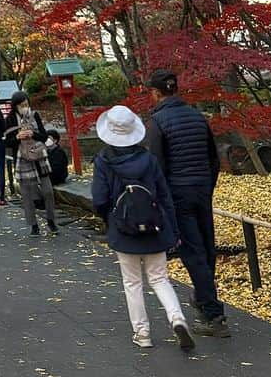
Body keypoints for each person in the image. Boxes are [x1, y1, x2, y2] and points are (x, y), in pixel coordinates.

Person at [92, 105, 195, 352]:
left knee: (132, 283)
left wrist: (110, 220)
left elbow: (99, 199)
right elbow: (164, 196)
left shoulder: (103, 161)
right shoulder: (149, 160)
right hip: (154, 227)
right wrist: (172, 230)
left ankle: (143, 333)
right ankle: (177, 318)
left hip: (123, 228)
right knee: (160, 278)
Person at [144, 69, 228, 337]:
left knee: (192, 250)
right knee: (206, 245)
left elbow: (157, 166)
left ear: (156, 93)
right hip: (202, 188)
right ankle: (205, 298)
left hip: (178, 192)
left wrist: (161, 201)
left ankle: (212, 312)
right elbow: (214, 159)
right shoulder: (197, 116)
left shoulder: (157, 122)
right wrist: (207, 184)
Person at [5, 90, 57, 236]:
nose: (25, 107)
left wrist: (33, 134)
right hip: (22, 160)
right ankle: (33, 225)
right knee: (27, 195)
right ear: (15, 106)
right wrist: (17, 137)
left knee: (48, 191)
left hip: (39, 157)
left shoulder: (35, 116)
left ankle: (51, 221)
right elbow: (7, 142)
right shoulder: (9, 120)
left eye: (26, 104)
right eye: (21, 105)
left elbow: (44, 136)